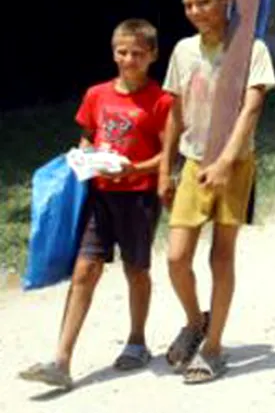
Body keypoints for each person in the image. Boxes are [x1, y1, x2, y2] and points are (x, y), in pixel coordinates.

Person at [18, 20, 173, 390]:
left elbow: (170, 155)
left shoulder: (162, 101)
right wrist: (87, 156)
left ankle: (137, 342)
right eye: (122, 51)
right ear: (113, 52)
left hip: (138, 198)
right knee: (85, 270)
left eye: (137, 53)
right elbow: (87, 137)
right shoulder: (96, 94)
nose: (129, 59)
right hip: (100, 196)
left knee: (136, 270)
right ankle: (61, 360)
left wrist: (135, 168)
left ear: (152, 55)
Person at [160, 0, 275, 384]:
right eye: (188, 4)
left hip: (235, 164)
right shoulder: (182, 51)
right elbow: (173, 114)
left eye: (204, 2)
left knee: (220, 255)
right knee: (176, 258)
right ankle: (196, 321)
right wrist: (165, 168)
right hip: (193, 162)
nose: (195, 11)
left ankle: (213, 348)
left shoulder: (251, 49)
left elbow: (252, 107)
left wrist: (227, 160)